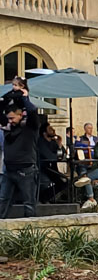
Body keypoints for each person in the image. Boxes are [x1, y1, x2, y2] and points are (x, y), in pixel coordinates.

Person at [0, 83, 41, 218]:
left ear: (20, 115)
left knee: (29, 202)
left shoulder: (30, 127)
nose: (10, 121)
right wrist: (7, 98)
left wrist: (25, 98)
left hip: (26, 170)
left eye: (12, 118)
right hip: (9, 169)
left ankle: (31, 232)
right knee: (3, 200)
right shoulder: (8, 127)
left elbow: (32, 112)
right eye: (8, 119)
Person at [36, 123, 68, 202]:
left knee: (65, 182)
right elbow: (50, 156)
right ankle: (42, 198)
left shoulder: (54, 142)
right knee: (59, 183)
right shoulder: (41, 142)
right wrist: (57, 155)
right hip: (43, 169)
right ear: (44, 133)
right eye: (50, 129)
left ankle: (43, 198)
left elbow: (63, 154)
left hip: (52, 169)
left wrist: (60, 145)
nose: (53, 130)